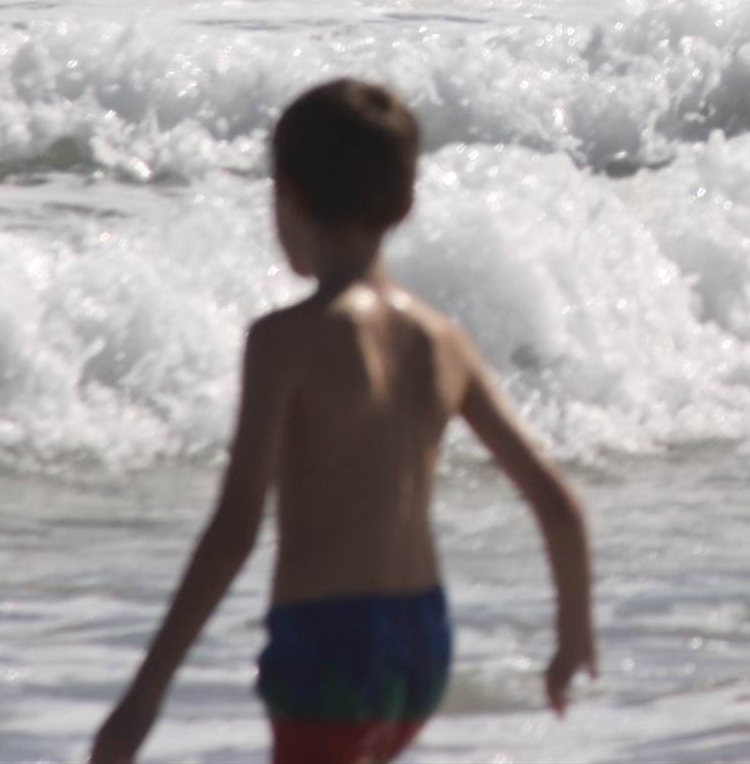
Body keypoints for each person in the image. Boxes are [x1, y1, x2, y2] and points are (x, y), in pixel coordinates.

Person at [92, 78, 596, 764]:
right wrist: (572, 638)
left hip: (328, 642)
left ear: (288, 197)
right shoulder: (441, 339)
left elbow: (235, 530)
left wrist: (146, 692)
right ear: (405, 201)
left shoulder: (283, 341)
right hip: (422, 644)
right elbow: (559, 504)